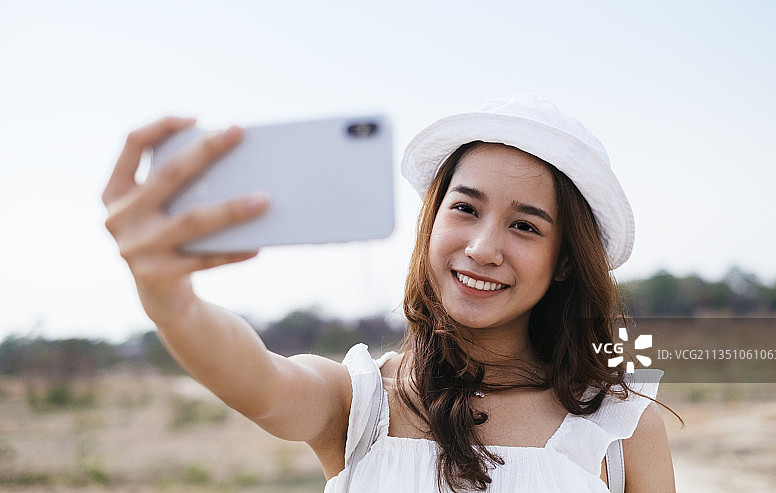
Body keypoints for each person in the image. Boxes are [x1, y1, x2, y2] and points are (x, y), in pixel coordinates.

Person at [102, 94, 676, 492]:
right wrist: (169, 298)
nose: (481, 247)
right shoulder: (363, 404)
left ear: (566, 263)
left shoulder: (621, 427)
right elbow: (263, 381)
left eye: (524, 225)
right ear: (431, 222)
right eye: (465, 208)